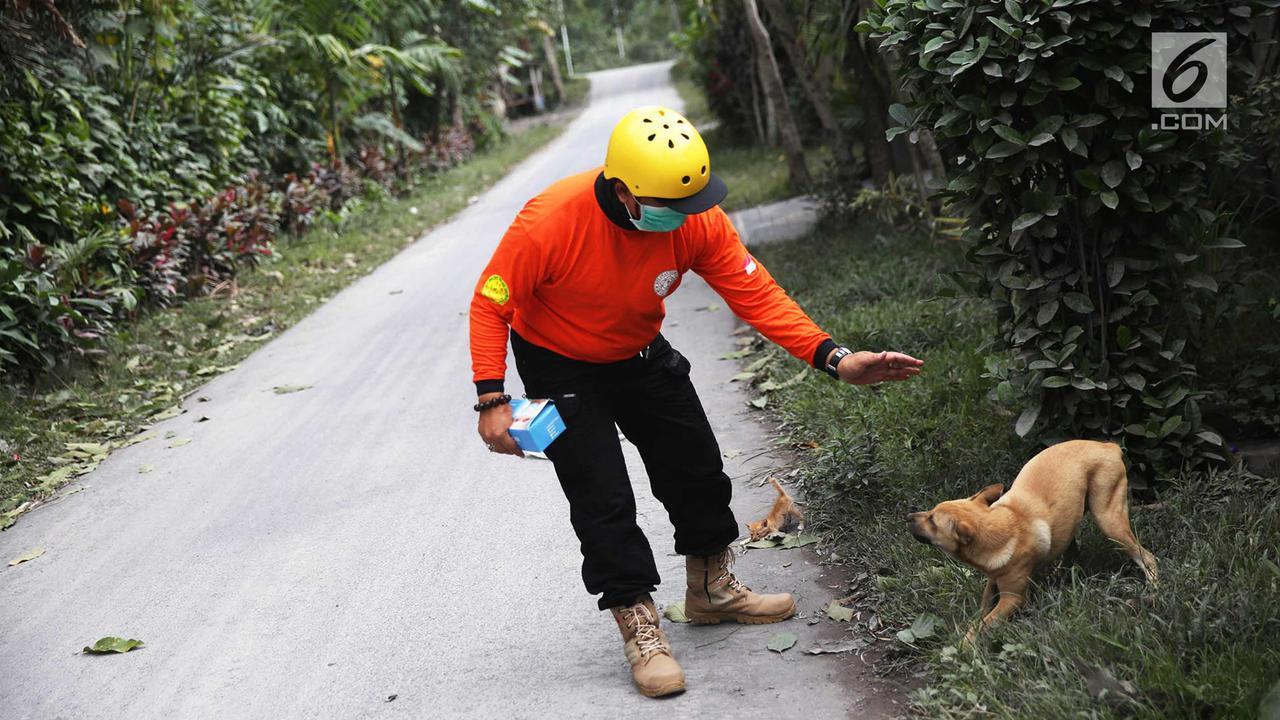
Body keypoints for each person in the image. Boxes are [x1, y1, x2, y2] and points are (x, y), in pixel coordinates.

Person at [469, 106, 922, 698]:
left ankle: (711, 591)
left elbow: (754, 291)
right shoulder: (551, 221)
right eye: (672, 205)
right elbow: (489, 302)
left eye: (695, 202)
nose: (688, 216)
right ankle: (639, 626)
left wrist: (834, 358)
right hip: (559, 360)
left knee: (696, 466)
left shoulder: (694, 220)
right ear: (625, 192)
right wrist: (492, 398)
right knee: (601, 493)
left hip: (637, 348)